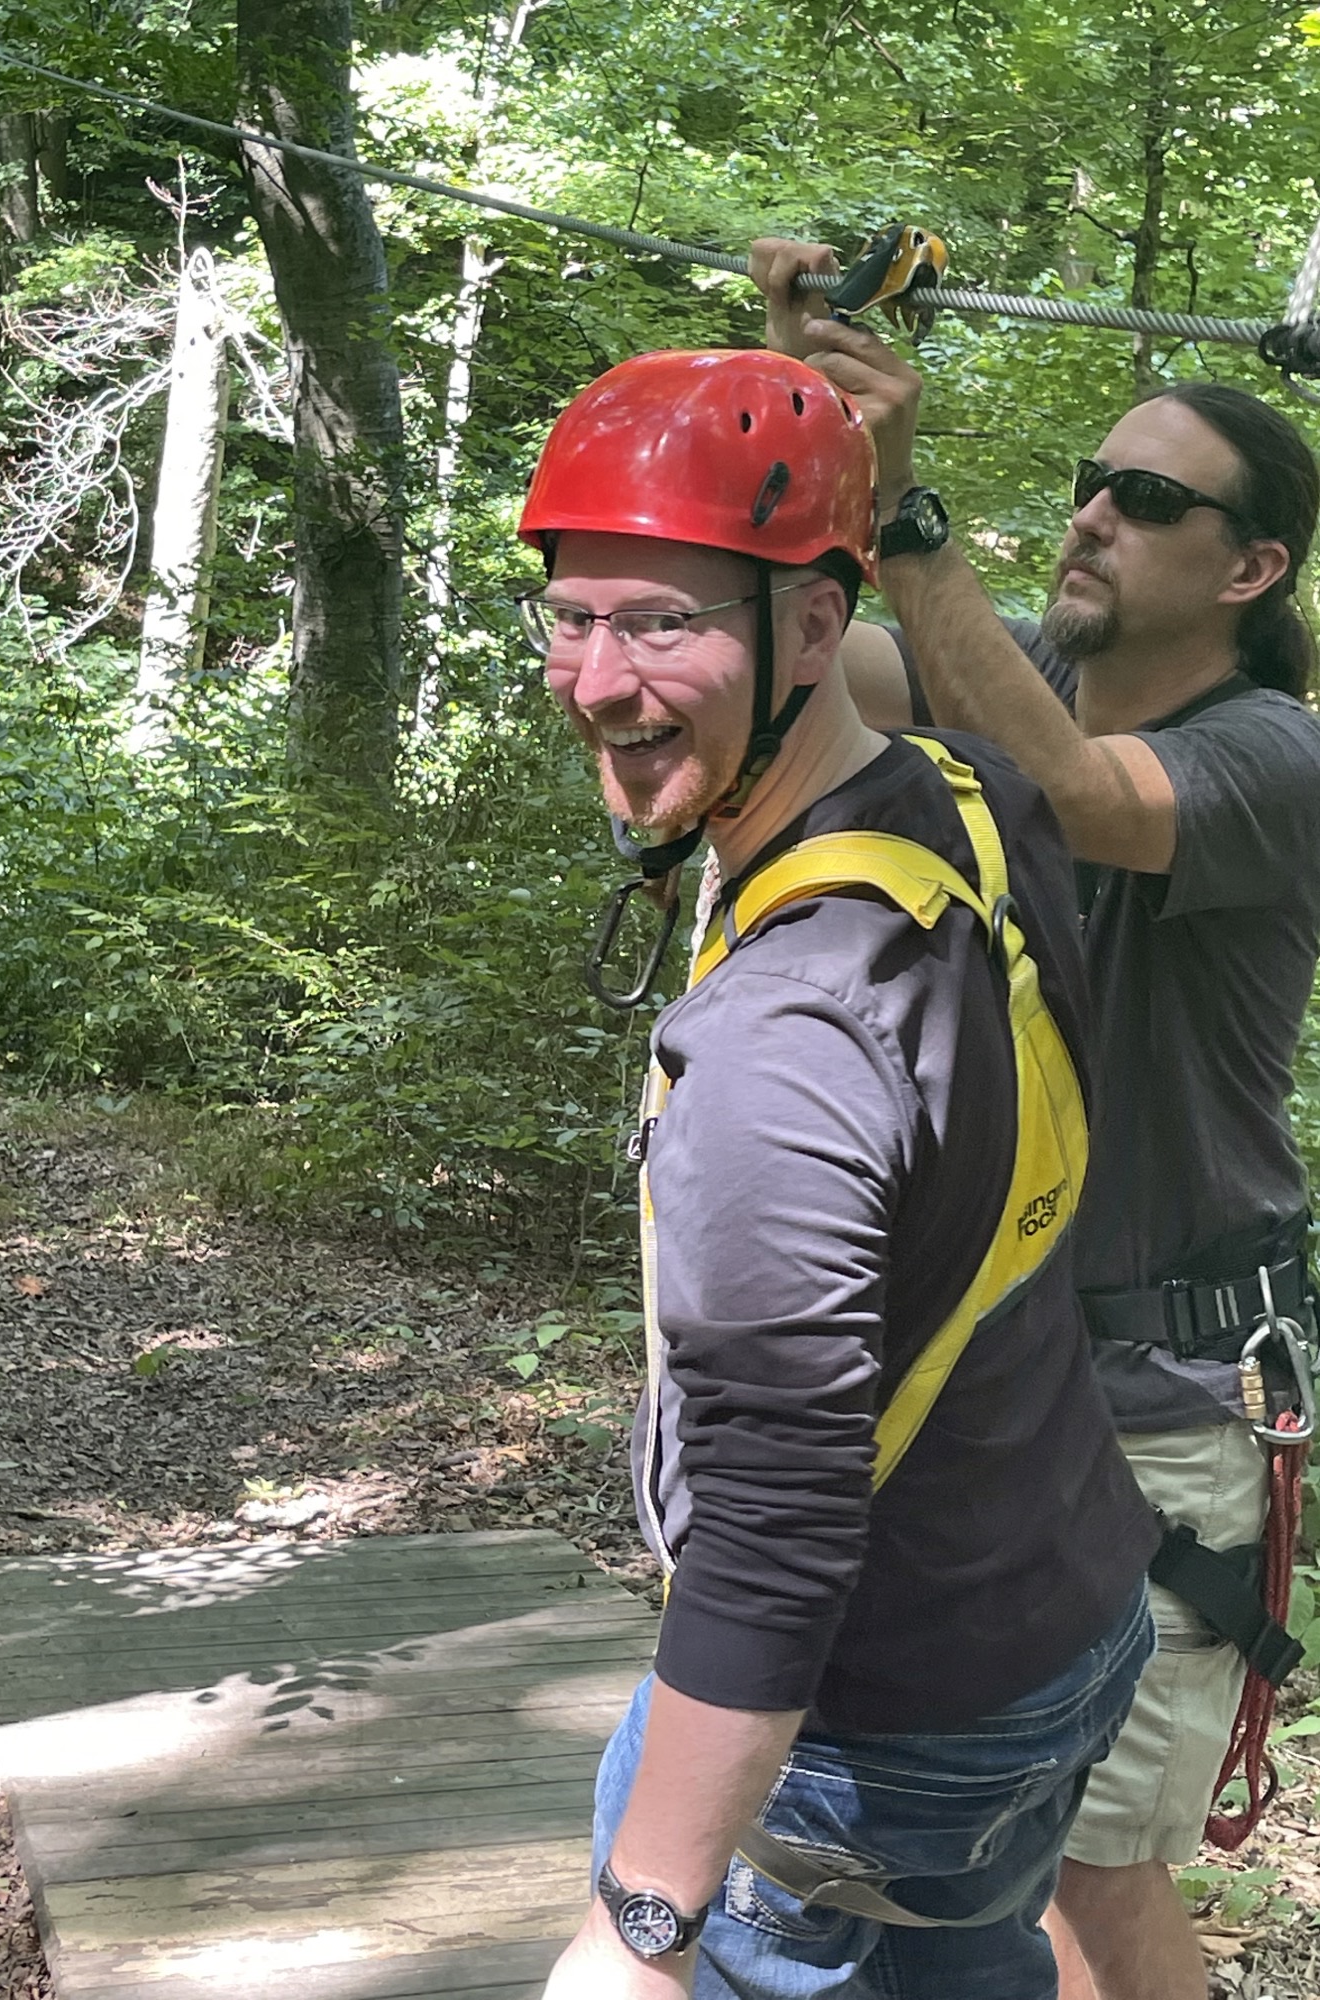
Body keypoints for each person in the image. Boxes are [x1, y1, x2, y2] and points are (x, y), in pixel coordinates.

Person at [516, 345, 1157, 2000]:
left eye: (661, 620)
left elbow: (778, 1521)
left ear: (813, 625)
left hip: (872, 1704)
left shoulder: (781, 1045)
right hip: (1065, 1600)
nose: (596, 677)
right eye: (573, 615)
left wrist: (643, 1922)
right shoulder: (976, 800)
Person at [753, 236, 1320, 2000]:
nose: (1089, 515)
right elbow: (797, 659)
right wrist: (811, 410)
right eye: (1087, 483)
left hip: (1170, 1402)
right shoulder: (1001, 670)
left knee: (1093, 1870)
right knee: (991, 1839)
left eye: (1144, 497)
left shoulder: (1276, 755)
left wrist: (916, 526)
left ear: (1252, 569)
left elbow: (1083, 801)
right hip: (994, 1386)